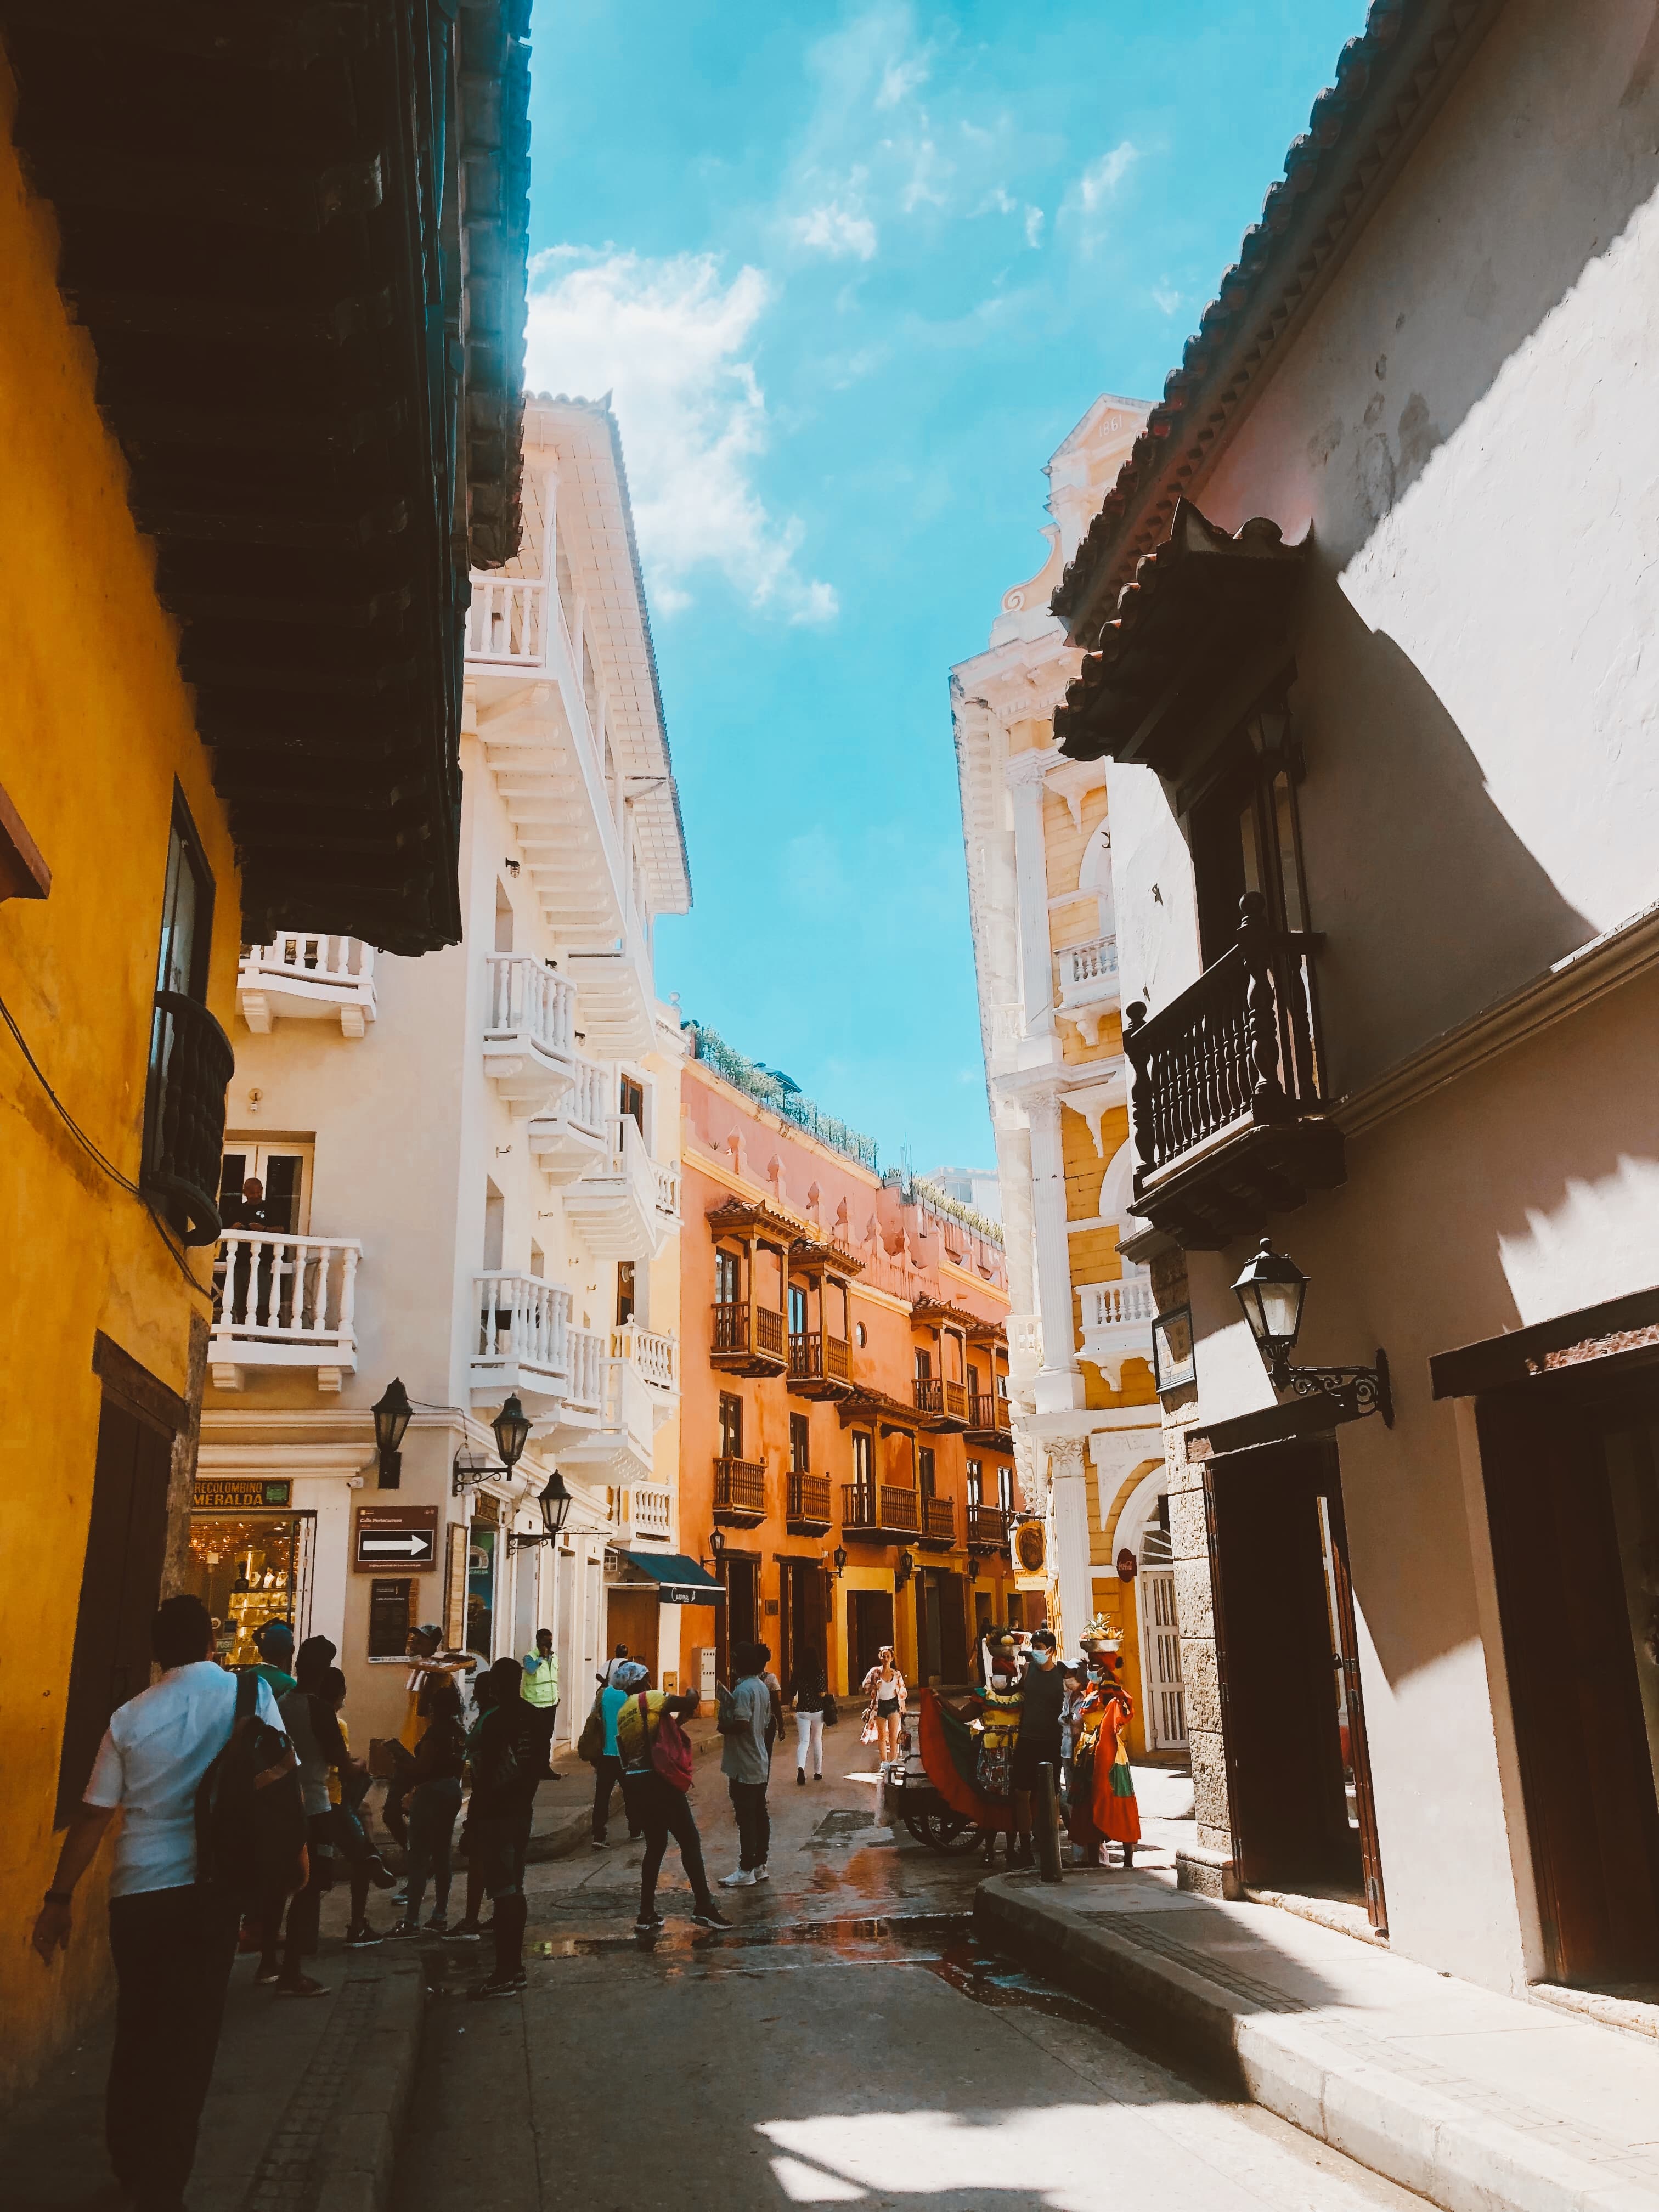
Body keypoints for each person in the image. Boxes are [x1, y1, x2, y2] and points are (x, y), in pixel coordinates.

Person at [32, 1594, 293, 2212]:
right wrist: (294, 1862)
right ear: (211, 1643)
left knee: (140, 2029)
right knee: (192, 2039)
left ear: (155, 1653)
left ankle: (129, 2161)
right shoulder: (249, 1696)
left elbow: (95, 1818)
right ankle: (163, 2183)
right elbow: (282, 1778)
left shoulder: (129, 1717)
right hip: (209, 1892)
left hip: (139, 1893)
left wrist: (59, 1898)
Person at [614, 1661, 729, 1934]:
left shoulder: (624, 1711)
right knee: (690, 1840)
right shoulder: (650, 1698)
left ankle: (646, 1913)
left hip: (637, 1783)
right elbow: (689, 1700)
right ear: (643, 1682)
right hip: (659, 1781)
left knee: (655, 1846)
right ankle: (703, 1906)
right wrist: (693, 1691)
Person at [264, 1633, 349, 1995]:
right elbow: (339, 1760)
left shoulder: (281, 1703)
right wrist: (357, 1766)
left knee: (277, 1887)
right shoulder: (320, 1710)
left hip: (279, 1803)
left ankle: (269, 1961)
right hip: (313, 1805)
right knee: (308, 1886)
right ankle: (292, 1972)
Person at [464, 1655, 546, 1997]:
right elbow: (538, 1766)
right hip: (521, 1811)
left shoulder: (493, 1721)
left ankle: (507, 1971)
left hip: (496, 1814)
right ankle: (513, 1967)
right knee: (514, 1887)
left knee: (503, 1892)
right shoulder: (536, 1718)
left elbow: (482, 1770)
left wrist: (474, 1819)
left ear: (495, 1687)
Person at [317, 1666, 397, 1948]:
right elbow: (345, 1765)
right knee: (360, 1861)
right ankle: (358, 1924)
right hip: (334, 1799)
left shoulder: (299, 1715)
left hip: (312, 1800)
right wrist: (361, 1764)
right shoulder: (335, 1724)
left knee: (363, 1814)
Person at [390, 1674, 467, 1937]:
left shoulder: (436, 1733)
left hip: (431, 1793)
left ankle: (411, 1920)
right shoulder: (460, 1733)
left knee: (420, 1856)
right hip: (452, 1791)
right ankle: (440, 1915)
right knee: (443, 1854)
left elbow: (421, 1769)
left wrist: (399, 1756)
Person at [385, 1623, 474, 1846]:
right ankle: (420, 1856)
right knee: (396, 1811)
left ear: (433, 1645)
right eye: (414, 1639)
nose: (414, 1643)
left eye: (420, 1640)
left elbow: (426, 1710)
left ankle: (423, 1859)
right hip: (410, 1745)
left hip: (424, 1752)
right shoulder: (421, 1668)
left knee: (406, 1811)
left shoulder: (439, 1675)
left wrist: (434, 1669)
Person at [1070, 1643, 1142, 1870]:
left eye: (1094, 1665)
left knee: (1115, 1800)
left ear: (1103, 1667)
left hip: (1110, 1755)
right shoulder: (1092, 1690)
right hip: (1088, 1754)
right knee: (1088, 1802)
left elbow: (1118, 1714)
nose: (1090, 1668)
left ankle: (1128, 1860)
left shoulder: (1110, 1691)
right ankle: (1095, 1860)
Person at [445, 1667, 501, 1943]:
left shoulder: (491, 1721)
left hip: (487, 1796)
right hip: (493, 1797)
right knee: (492, 1858)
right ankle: (497, 1913)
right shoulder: (492, 1718)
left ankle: (471, 1920)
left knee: (479, 1859)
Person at [717, 1640, 774, 1887]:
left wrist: (723, 1725)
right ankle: (760, 1864)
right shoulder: (761, 1687)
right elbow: (765, 1721)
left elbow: (741, 1723)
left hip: (744, 1762)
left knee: (746, 1817)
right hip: (759, 1759)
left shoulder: (742, 1691)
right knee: (760, 1814)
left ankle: (746, 1867)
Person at [1009, 1627, 1065, 1869]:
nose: (1036, 1653)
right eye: (1034, 1648)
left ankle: (1050, 1844)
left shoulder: (1063, 1673)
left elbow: (1082, 1687)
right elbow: (1018, 1690)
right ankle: (1025, 1847)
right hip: (1027, 1740)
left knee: (1050, 1797)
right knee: (1022, 1794)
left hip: (1052, 1742)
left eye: (1040, 1649)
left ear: (1051, 1651)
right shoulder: (1029, 1670)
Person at [591, 1664, 641, 1848]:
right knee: (632, 1794)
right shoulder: (631, 1697)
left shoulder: (603, 1694)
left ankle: (599, 1835)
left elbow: (594, 1718)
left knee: (602, 1796)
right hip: (625, 1753)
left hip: (605, 1753)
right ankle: (635, 1830)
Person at [521, 1626, 562, 1780]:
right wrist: (540, 1659)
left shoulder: (554, 1657)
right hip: (535, 1705)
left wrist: (556, 1697)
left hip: (550, 1704)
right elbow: (530, 1671)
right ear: (539, 1642)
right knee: (535, 1739)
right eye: (546, 1642)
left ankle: (544, 1768)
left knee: (546, 1738)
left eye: (550, 1642)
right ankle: (533, 1768)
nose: (548, 1645)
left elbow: (553, 1678)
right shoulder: (530, 1657)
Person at [788, 1645, 828, 1785]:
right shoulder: (819, 1673)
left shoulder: (797, 1673)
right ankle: (818, 1772)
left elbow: (792, 1690)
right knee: (817, 1740)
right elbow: (822, 1693)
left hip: (802, 1711)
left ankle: (801, 1768)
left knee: (804, 1741)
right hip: (818, 1711)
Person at [861, 1646, 906, 1764]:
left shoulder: (897, 1674)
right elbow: (865, 1687)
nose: (885, 1659)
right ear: (880, 1658)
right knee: (881, 1736)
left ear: (892, 1659)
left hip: (893, 1705)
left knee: (893, 1735)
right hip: (879, 1706)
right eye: (883, 1656)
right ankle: (884, 1762)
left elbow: (902, 1692)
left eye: (888, 1657)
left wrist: (903, 1707)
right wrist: (875, 1686)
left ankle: (893, 1762)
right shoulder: (875, 1672)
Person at [246, 1618, 296, 1697]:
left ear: (261, 1650)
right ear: (291, 1651)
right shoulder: (289, 1685)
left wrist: (269, 1622)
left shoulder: (245, 1678)